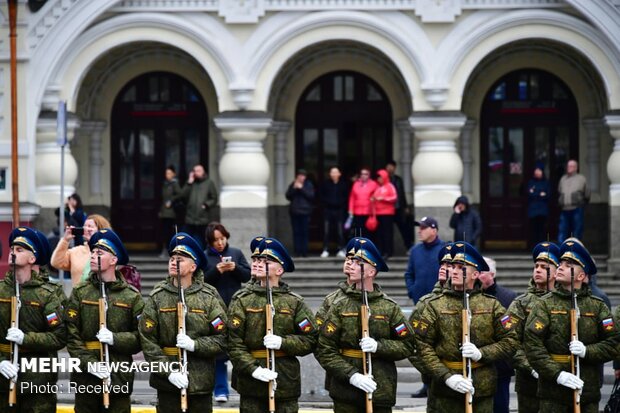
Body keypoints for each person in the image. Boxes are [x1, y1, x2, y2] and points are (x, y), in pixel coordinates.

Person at [413, 241, 518, 412]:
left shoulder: (492, 305)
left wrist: (481, 353)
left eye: (461, 268)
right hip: (444, 391)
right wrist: (447, 377)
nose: (454, 271)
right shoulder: (434, 305)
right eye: (453, 266)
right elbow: (420, 345)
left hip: (481, 389)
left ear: (475, 274)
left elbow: (511, 341)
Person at [316, 238, 413, 412]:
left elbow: (407, 345)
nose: (351, 265)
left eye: (359, 262)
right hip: (346, 389)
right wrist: (351, 375)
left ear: (372, 271)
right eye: (350, 261)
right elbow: (324, 347)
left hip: (380, 386)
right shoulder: (338, 304)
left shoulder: (389, 307)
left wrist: (379, 346)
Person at [524, 239, 620, 413]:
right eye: (560, 263)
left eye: (568, 265)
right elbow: (532, 345)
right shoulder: (544, 304)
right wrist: (557, 374)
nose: (560, 267)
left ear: (582, 276)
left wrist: (587, 351)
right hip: (552, 392)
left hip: (587, 390)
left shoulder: (597, 306)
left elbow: (613, 344)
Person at [140, 232, 228, 413]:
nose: (173, 261)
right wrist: (168, 372)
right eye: (172, 257)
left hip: (200, 381)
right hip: (167, 384)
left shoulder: (208, 296)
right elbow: (148, 341)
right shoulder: (158, 296)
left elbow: (223, 338)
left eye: (180, 259)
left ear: (193, 266)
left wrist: (195, 345)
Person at [228, 236, 318, 412]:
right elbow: (233, 342)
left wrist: (283, 342)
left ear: (280, 270)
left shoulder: (294, 302)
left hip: (285, 381)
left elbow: (311, 339)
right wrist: (253, 369)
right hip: (251, 382)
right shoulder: (242, 300)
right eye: (257, 259)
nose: (259, 263)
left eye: (267, 261)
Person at [65, 229, 144, 413]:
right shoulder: (80, 292)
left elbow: (141, 338)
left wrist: (115, 339)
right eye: (92, 252)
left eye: (99, 253)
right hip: (86, 378)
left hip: (118, 377)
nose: (93, 256)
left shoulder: (131, 296)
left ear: (114, 260)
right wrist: (89, 363)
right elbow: (70, 333)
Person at [0, 227, 67, 413]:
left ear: (32, 259)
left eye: (20, 250)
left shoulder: (48, 295)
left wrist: (26, 338)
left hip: (37, 381)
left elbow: (59, 337)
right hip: (2, 381)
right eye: (12, 249)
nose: (13, 253)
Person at [506, 241, 559, 413]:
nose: (537, 269)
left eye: (544, 266)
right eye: (536, 266)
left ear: (557, 271)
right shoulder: (520, 303)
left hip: (561, 379)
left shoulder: (565, 301)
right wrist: (532, 367)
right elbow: (509, 341)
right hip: (529, 382)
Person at [203, 222, 251, 402]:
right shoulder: (204, 256)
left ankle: (244, 387)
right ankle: (220, 390)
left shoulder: (236, 253)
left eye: (222, 239)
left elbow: (247, 275)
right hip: (214, 308)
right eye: (215, 240)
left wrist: (235, 268)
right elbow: (201, 280)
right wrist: (216, 271)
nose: (220, 243)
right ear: (209, 241)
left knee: (240, 349)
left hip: (236, 307)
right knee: (219, 353)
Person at [409, 243, 453, 400]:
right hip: (436, 381)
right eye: (442, 263)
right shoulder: (426, 303)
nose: (443, 267)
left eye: (449, 264)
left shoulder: (474, 301)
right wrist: (431, 372)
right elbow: (412, 343)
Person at [479, 257, 518, 413]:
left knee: (500, 407)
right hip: (477, 364)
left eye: (482, 271)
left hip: (500, 366)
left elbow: (511, 332)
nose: (477, 274)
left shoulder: (508, 297)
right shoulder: (469, 296)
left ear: (492, 274)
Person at [51, 213, 112, 286]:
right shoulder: (76, 251)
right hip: (79, 296)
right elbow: (56, 262)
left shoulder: (109, 252)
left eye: (90, 226)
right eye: (85, 226)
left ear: (101, 229)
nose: (86, 229)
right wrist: (65, 240)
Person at [404, 216, 445, 304]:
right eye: (419, 228)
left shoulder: (444, 249)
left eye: (423, 228)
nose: (419, 231)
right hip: (419, 302)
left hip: (440, 302)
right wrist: (412, 291)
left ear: (434, 231)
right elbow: (409, 274)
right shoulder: (415, 250)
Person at [182, 164, 219, 249]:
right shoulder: (191, 183)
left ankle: (205, 258)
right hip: (190, 218)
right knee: (187, 239)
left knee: (205, 240)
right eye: (195, 171)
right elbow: (183, 196)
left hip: (203, 218)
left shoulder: (209, 183)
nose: (196, 173)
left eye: (198, 171)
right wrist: (189, 183)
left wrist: (206, 205)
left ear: (203, 172)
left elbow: (214, 198)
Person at [557, 159, 590, 243]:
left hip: (576, 209)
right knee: (562, 231)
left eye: (571, 166)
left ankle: (575, 251)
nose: (569, 168)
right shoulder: (563, 179)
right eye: (568, 166)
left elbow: (587, 193)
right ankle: (561, 251)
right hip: (564, 209)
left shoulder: (581, 179)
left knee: (577, 231)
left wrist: (582, 202)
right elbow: (559, 191)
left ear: (576, 168)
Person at [320, 166, 349, 258]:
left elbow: (346, 197)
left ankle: (341, 249)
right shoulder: (325, 184)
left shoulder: (343, 184)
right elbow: (321, 196)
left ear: (339, 174)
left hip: (339, 211)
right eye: (332, 172)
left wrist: (341, 205)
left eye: (335, 172)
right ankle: (325, 249)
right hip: (328, 210)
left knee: (340, 231)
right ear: (330, 174)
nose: (334, 174)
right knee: (326, 231)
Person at [285, 169, 315, 258]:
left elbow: (311, 196)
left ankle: (304, 251)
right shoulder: (293, 184)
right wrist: (294, 188)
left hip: (305, 212)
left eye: (303, 176)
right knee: (296, 232)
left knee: (304, 232)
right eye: (300, 176)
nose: (301, 177)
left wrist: (301, 188)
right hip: (294, 212)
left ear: (305, 177)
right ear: (297, 176)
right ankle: (297, 251)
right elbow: (288, 196)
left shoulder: (308, 185)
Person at [386, 160, 413, 251]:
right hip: (387, 209)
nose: (390, 169)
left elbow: (401, 194)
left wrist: (405, 206)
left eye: (391, 167)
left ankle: (408, 246)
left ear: (394, 168)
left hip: (398, 208)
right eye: (388, 167)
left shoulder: (398, 179)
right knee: (387, 230)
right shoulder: (384, 180)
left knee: (403, 227)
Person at [372, 169, 398, 259]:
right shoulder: (378, 188)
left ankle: (388, 251)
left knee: (387, 233)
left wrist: (383, 198)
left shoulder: (390, 186)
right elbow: (375, 197)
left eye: (380, 177)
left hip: (387, 213)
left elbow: (394, 197)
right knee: (380, 233)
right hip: (378, 213)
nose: (379, 179)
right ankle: (381, 251)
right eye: (378, 178)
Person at [159, 165, 183, 258]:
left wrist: (171, 200)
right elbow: (163, 198)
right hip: (165, 212)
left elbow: (179, 194)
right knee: (164, 232)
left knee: (170, 232)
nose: (167, 175)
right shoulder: (165, 184)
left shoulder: (174, 184)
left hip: (172, 213)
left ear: (174, 174)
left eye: (169, 173)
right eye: (166, 173)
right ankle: (165, 250)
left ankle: (171, 251)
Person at [347, 167, 378, 239]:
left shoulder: (373, 184)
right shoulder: (356, 184)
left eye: (366, 174)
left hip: (368, 212)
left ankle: (367, 248)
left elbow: (376, 196)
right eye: (362, 174)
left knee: (368, 232)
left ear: (369, 175)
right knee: (358, 231)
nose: (364, 175)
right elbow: (352, 198)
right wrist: (351, 209)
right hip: (357, 212)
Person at [526, 166, 550, 247]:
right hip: (533, 211)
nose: (537, 172)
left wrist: (535, 193)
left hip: (542, 211)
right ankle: (534, 247)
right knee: (534, 230)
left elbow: (548, 195)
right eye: (536, 171)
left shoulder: (546, 183)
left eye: (539, 171)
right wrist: (540, 194)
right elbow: (529, 194)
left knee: (542, 230)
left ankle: (542, 247)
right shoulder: (531, 182)